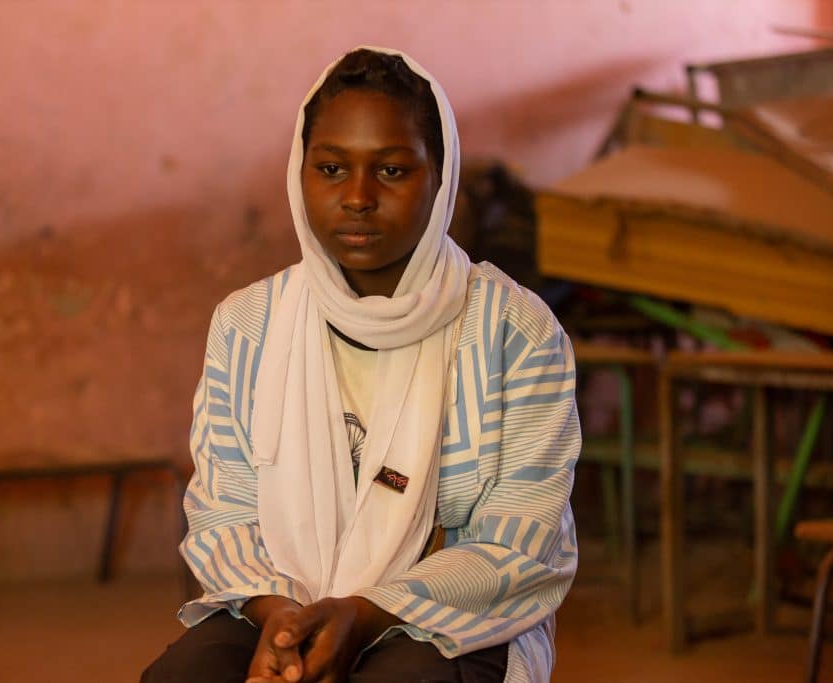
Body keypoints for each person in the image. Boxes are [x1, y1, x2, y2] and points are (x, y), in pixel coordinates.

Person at [142, 46, 579, 683]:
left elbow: (523, 542)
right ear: (300, 173)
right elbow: (222, 515)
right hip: (276, 602)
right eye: (330, 168)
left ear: (441, 177)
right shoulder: (249, 324)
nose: (357, 198)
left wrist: (366, 613)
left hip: (447, 621)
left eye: (393, 171)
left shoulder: (514, 330)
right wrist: (283, 621)